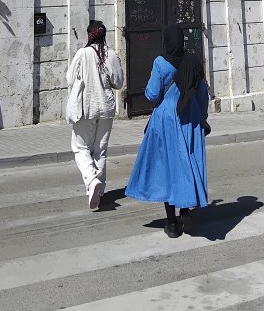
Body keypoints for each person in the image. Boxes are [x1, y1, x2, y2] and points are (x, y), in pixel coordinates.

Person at [125, 24, 209, 237]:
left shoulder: (160, 62)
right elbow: (202, 93)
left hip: (167, 119)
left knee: (167, 169)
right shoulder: (193, 60)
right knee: (186, 165)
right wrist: (202, 117)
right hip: (189, 117)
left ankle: (172, 223)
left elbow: (152, 94)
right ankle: (185, 211)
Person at [66, 20, 123, 210]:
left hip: (86, 108)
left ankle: (91, 180)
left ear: (90, 35)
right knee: (100, 151)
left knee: (80, 148)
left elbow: (69, 79)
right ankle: (99, 191)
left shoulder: (82, 53)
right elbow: (118, 83)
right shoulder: (111, 54)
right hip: (106, 108)